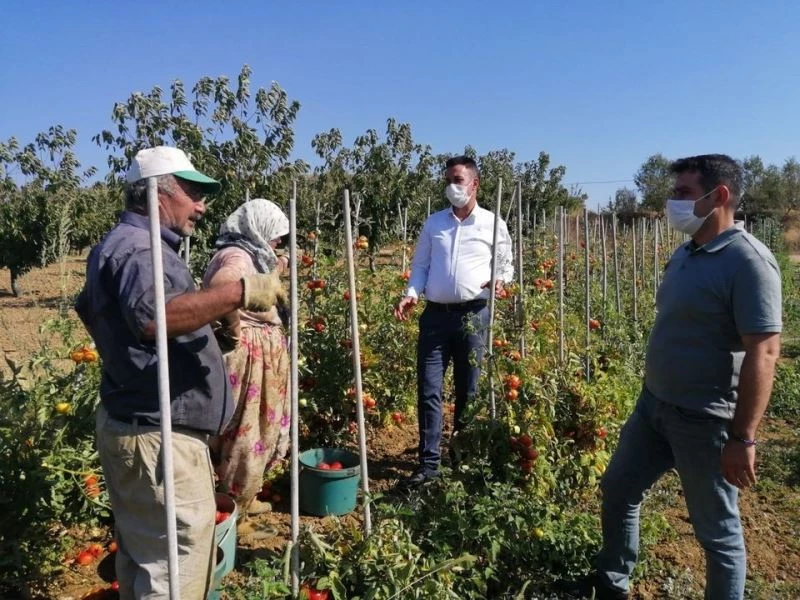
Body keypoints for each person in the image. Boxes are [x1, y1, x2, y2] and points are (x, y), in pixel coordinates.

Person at [560, 154, 782, 600]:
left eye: (682, 193)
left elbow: (765, 351)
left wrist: (743, 438)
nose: (672, 202)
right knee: (619, 488)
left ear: (718, 196)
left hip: (706, 419)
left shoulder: (749, 262)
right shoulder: (686, 252)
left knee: (717, 533)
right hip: (654, 406)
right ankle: (612, 583)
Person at [75, 146, 286, 600]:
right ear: (158, 193)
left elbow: (95, 310)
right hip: (157, 437)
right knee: (175, 568)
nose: (202, 206)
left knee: (145, 556)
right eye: (193, 193)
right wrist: (239, 292)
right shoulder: (138, 249)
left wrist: (195, 327)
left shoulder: (123, 246)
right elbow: (153, 318)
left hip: (142, 424)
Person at [394, 155, 513, 486]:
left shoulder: (493, 224)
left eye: (457, 180)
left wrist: (500, 281)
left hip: (474, 316)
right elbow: (421, 265)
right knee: (429, 390)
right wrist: (412, 293)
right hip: (434, 317)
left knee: (468, 391)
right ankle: (428, 464)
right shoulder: (434, 223)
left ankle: (461, 460)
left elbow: (505, 265)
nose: (451, 186)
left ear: (474, 184)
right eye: (448, 180)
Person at [202, 198, 291, 518]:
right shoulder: (237, 256)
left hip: (257, 356)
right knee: (244, 432)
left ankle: (243, 497)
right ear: (257, 228)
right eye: (276, 233)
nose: (279, 240)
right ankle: (234, 506)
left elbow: (254, 280)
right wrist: (235, 329)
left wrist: (277, 266)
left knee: (250, 428)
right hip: (249, 359)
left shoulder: (248, 253)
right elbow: (221, 286)